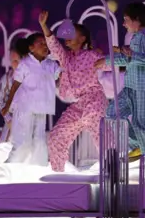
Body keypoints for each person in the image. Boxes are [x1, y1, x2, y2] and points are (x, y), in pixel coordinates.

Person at [39, 11, 107, 172]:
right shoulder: (66, 57)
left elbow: (108, 64)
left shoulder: (91, 55)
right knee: (57, 136)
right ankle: (58, 173)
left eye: (72, 33)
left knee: (102, 138)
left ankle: (112, 171)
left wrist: (112, 59)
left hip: (94, 99)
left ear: (82, 38)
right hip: (79, 103)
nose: (68, 37)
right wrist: (44, 26)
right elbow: (55, 47)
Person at [95, 2, 145, 160]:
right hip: (131, 87)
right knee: (113, 113)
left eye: (126, 19)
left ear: (137, 19)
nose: (124, 23)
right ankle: (138, 145)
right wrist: (106, 60)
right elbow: (128, 58)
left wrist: (130, 53)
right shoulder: (137, 37)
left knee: (144, 126)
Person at [1, 32, 59, 166]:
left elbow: (61, 76)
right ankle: (10, 167)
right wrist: (7, 105)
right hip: (25, 107)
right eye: (41, 43)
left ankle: (38, 168)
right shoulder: (25, 63)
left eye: (46, 43)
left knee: (39, 139)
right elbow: (15, 85)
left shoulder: (51, 64)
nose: (45, 46)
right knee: (22, 141)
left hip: (41, 108)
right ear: (31, 48)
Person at [0, 38, 29, 142]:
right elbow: (0, 101)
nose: (14, 64)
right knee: (5, 150)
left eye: (17, 61)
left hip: (30, 122)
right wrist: (9, 120)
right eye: (12, 61)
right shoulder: (6, 79)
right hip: (12, 121)